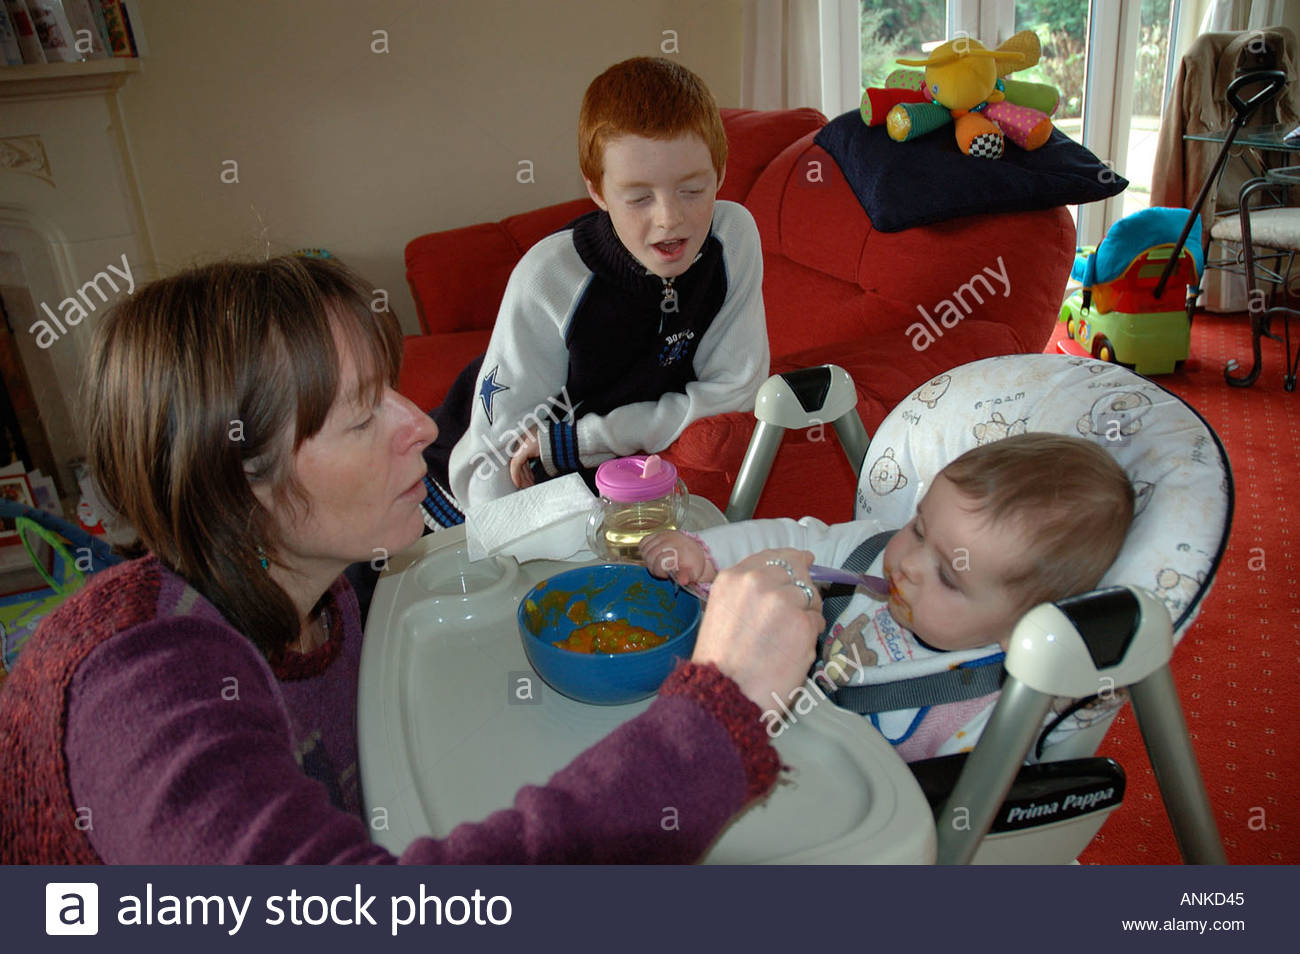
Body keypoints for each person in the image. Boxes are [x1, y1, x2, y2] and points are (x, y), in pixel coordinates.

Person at [0, 256, 821, 864]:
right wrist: (719, 714)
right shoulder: (142, 691)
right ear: (237, 481)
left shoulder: (328, 590)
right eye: (362, 418)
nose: (425, 429)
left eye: (389, 388)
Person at [419, 56, 768, 526]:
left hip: (581, 468)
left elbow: (735, 392)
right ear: (598, 191)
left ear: (721, 174)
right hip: (456, 494)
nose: (669, 218)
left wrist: (587, 438)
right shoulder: (548, 279)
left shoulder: (734, 239)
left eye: (692, 190)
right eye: (639, 197)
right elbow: (491, 468)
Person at [642, 433, 1135, 761]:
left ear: (1020, 627)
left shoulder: (988, 705)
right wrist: (705, 554)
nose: (908, 565)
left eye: (949, 576)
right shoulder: (870, 554)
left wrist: (1067, 695)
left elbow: (980, 800)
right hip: (757, 739)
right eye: (919, 528)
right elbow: (792, 544)